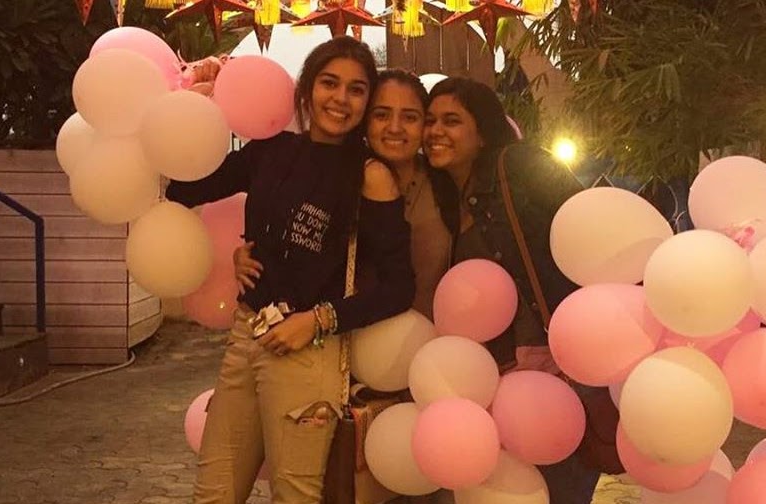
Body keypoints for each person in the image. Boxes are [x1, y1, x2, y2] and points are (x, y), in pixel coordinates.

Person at [167, 36, 415, 504]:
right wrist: (201, 99)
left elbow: (399, 286)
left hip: (307, 350)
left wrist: (318, 320)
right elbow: (183, 189)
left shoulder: (369, 174)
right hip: (246, 335)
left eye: (356, 89)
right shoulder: (270, 150)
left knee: (295, 496)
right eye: (329, 83)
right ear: (306, 88)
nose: (340, 99)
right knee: (213, 493)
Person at [423, 77, 613, 504]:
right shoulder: (443, 198)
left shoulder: (521, 165)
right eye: (430, 120)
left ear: (483, 131)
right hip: (492, 377)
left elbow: (590, 227)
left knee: (561, 485)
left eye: (451, 121)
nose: (435, 131)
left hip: (555, 365)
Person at [363, 69, 457, 319]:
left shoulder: (448, 183)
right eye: (381, 115)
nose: (395, 127)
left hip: (437, 337)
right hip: (355, 337)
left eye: (410, 117)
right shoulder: (342, 181)